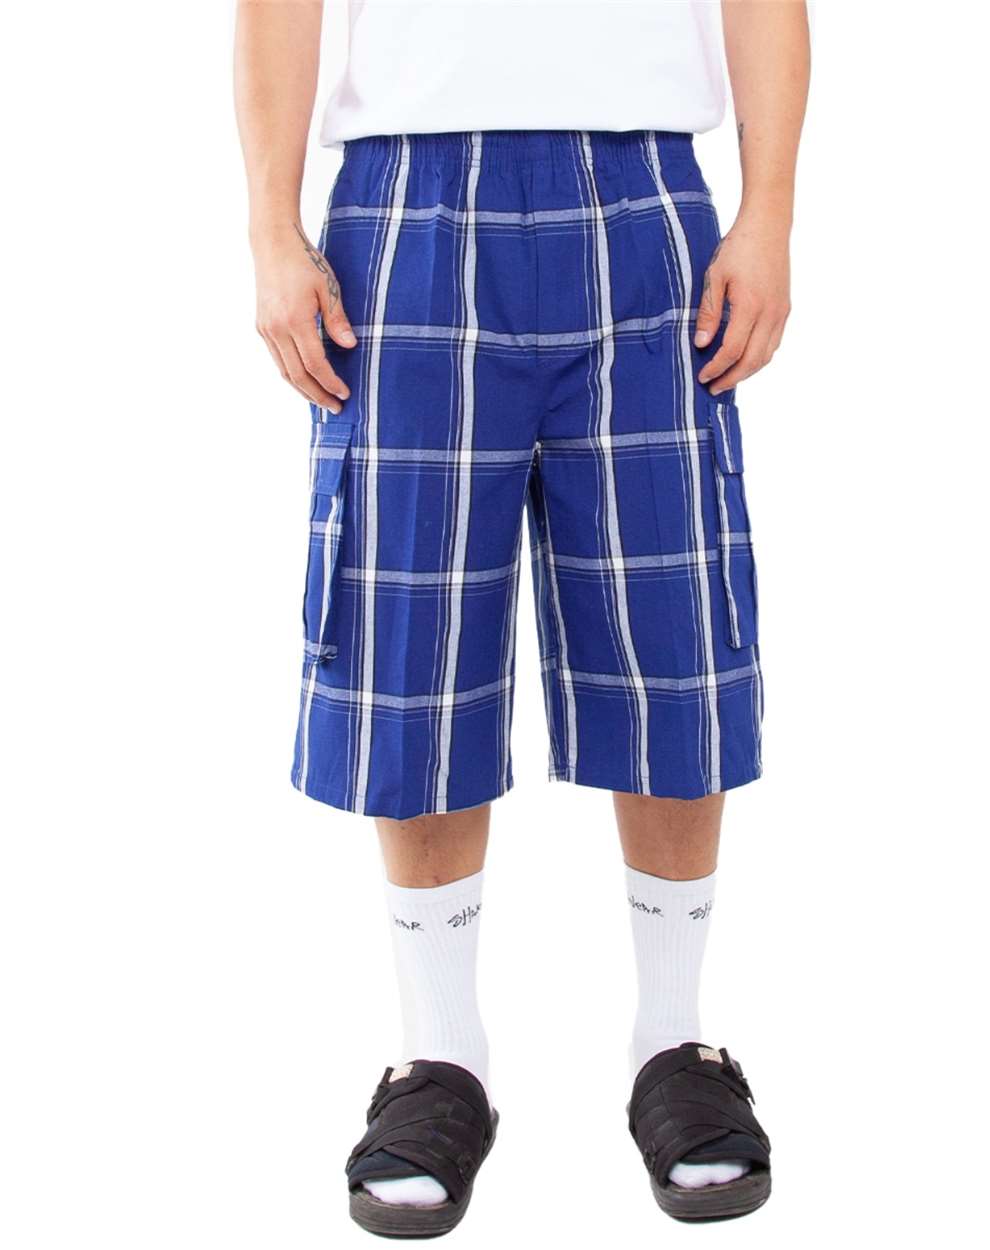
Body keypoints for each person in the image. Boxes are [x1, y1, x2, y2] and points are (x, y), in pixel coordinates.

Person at [235, 0, 809, 1233]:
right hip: (406, 197)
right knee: (411, 632)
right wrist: (270, 228)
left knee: (667, 626)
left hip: (642, 188)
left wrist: (768, 211)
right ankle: (439, 1055)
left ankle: (674, 1041)